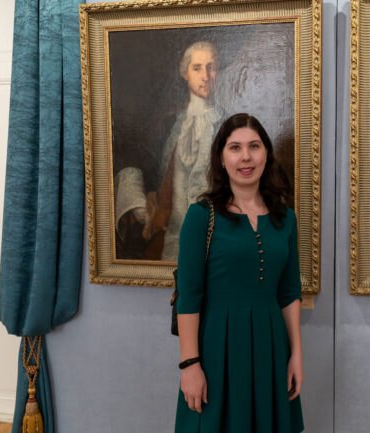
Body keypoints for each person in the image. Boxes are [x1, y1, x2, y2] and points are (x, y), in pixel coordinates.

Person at [174, 113, 304, 433]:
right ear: (221, 158)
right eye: (235, 148)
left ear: (266, 154)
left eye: (254, 146)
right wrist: (190, 365)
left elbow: (289, 293)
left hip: (271, 349)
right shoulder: (201, 217)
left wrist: (296, 355)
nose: (246, 157)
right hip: (217, 350)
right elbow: (189, 296)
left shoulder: (285, 219)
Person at [114, 41, 224, 260]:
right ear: (185, 73)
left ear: (218, 72)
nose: (205, 76)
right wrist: (145, 209)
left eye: (211, 67)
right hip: (168, 232)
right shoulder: (168, 124)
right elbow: (142, 167)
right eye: (197, 68)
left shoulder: (229, 124)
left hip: (216, 233)